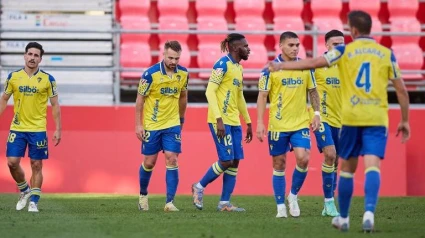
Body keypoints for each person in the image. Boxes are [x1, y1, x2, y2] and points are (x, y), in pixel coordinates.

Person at [268, 11, 410, 232]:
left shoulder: (345, 53)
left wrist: (281, 66)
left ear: (352, 31)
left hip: (350, 118)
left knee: (345, 168)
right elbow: (401, 89)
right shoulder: (386, 53)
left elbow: (311, 62)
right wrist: (405, 120)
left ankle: (341, 215)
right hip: (372, 118)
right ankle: (366, 212)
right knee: (369, 166)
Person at [256, 31, 321, 218]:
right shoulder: (270, 69)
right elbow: (262, 96)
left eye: (297, 45)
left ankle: (292, 196)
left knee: (304, 158)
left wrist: (316, 114)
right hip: (278, 125)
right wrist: (260, 122)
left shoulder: (305, 67)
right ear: (281, 46)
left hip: (300, 123)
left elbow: (313, 91)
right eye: (291, 45)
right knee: (279, 163)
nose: (295, 48)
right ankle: (280, 206)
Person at [192, 33, 252, 212]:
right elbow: (210, 92)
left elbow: (239, 96)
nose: (249, 49)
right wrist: (218, 119)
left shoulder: (239, 68)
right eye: (245, 46)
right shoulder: (222, 65)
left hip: (234, 121)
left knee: (235, 161)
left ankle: (224, 203)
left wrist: (247, 121)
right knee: (226, 160)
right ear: (234, 48)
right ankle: (199, 186)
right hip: (220, 121)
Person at [0, 42, 62, 213]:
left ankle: (34, 201)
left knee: (36, 164)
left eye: (36, 55)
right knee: (12, 163)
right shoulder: (13, 77)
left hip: (38, 129)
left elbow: (55, 104)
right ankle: (25, 189)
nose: (32, 58)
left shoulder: (48, 79)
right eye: (30, 54)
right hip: (17, 127)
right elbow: (4, 98)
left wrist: (58, 129)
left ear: (40, 59)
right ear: (25, 56)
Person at [135, 40, 188, 212]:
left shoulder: (183, 74)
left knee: (172, 158)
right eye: (171, 57)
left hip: (172, 124)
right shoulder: (149, 75)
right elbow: (140, 99)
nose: (173, 62)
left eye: (177, 58)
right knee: (149, 162)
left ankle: (169, 202)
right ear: (164, 54)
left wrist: (181, 119)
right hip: (152, 124)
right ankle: (143, 195)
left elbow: (183, 97)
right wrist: (138, 125)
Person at [312, 29, 345, 217]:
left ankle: (328, 202)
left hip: (343, 120)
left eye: (342, 43)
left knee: (335, 162)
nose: (339, 47)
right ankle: (330, 202)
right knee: (330, 154)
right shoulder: (318, 65)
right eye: (335, 44)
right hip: (322, 118)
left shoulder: (348, 66)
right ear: (326, 46)